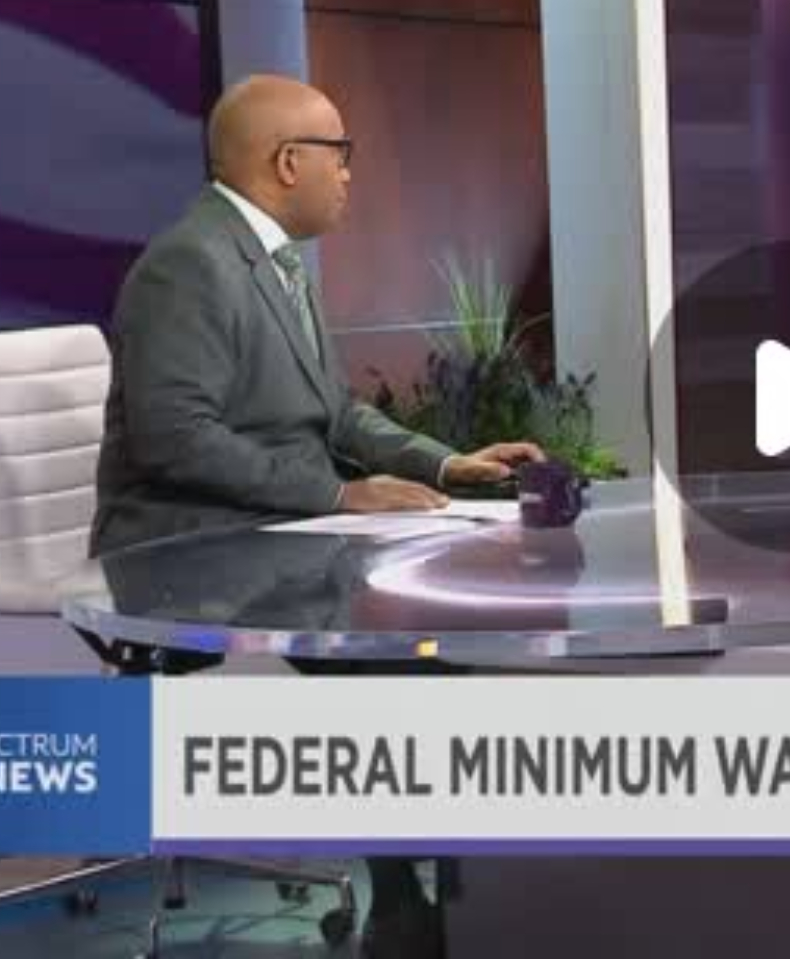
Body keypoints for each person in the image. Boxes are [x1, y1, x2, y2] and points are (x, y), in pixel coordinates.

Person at [91, 73, 543, 956]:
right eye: (341, 153)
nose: (349, 173)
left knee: (440, 648)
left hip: (276, 526)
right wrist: (338, 496)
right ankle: (405, 904)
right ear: (288, 161)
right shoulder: (190, 264)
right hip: (185, 542)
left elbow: (336, 414)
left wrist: (445, 462)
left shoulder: (274, 261)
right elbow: (175, 440)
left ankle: (454, 893)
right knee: (389, 664)